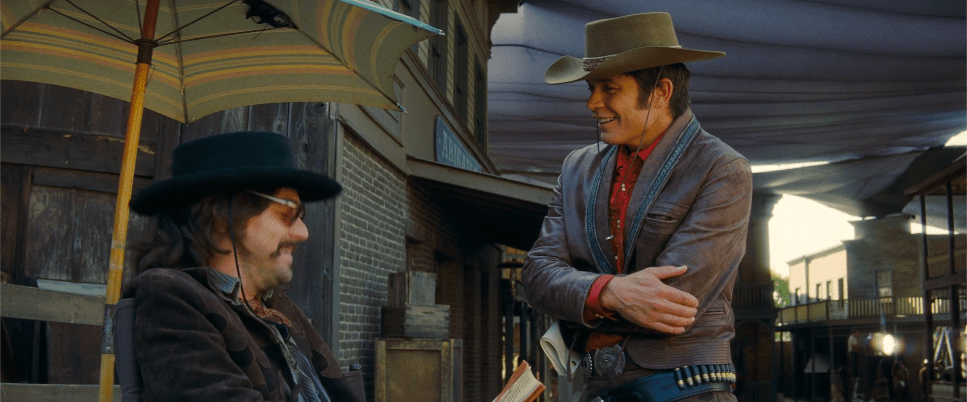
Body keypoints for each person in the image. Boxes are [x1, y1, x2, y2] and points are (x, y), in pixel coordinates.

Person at [522, 12, 752, 402]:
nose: (592, 103)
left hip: (686, 390)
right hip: (597, 387)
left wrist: (578, 298)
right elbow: (537, 276)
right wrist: (608, 292)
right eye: (591, 88)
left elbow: (673, 301)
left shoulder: (722, 168)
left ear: (661, 91)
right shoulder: (576, 167)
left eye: (609, 88)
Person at [123, 132, 363, 402]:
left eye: (302, 216)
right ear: (224, 218)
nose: (303, 232)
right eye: (288, 214)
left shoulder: (279, 308)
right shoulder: (171, 300)